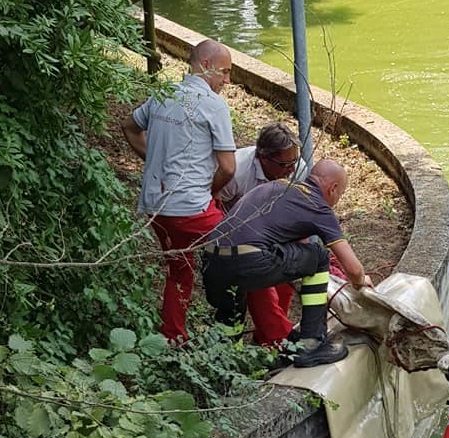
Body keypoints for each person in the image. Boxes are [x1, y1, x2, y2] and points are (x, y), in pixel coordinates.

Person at [202, 158, 373, 368]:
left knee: (233, 307)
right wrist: (360, 280)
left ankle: (227, 366)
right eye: (340, 194)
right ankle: (311, 342)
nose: (337, 200)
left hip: (212, 259)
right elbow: (353, 269)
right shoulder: (318, 206)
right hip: (248, 259)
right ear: (333, 188)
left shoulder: (278, 187)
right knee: (319, 256)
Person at [121, 39, 236, 344]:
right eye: (224, 73)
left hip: (155, 206)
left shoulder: (163, 94)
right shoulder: (214, 106)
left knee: (178, 269)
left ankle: (173, 336)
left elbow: (129, 126)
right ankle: (270, 335)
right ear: (206, 66)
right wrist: (208, 192)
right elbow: (228, 168)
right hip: (190, 208)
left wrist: (154, 162)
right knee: (249, 249)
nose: (227, 81)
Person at [219, 122, 309, 347]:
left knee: (286, 278)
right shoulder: (236, 172)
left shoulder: (298, 168)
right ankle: (276, 336)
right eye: (283, 164)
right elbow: (217, 207)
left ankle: (266, 340)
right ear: (263, 157)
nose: (290, 169)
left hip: (277, 227)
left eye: (293, 162)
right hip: (236, 232)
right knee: (258, 283)